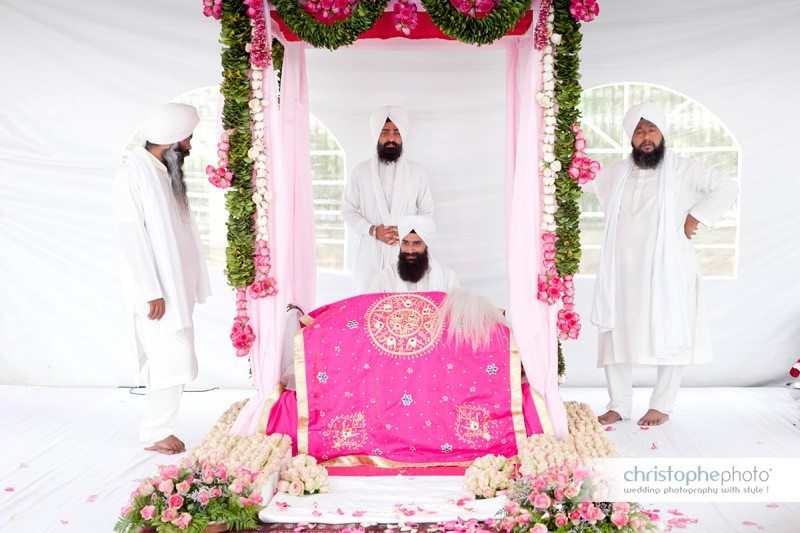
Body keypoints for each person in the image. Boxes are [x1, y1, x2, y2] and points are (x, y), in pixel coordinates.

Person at [590, 103, 738, 426]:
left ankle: (662, 404)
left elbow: (727, 186)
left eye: (652, 130)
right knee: (615, 331)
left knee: (671, 329)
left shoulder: (683, 169)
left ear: (662, 133)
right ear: (630, 138)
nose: (646, 138)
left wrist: (696, 215)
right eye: (639, 131)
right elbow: (582, 178)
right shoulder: (616, 172)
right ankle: (619, 404)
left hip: (668, 270)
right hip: (622, 271)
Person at [113, 103, 211, 453]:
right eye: (186, 141)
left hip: (174, 291)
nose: (189, 147)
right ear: (170, 142)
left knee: (173, 358)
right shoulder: (133, 174)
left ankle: (157, 428)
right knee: (170, 358)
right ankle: (154, 432)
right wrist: (151, 291)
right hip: (156, 294)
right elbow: (131, 235)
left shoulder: (159, 172)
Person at [341, 106, 434, 292]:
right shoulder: (361, 171)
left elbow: (426, 210)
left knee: (403, 308)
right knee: (367, 305)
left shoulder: (416, 172)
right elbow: (347, 209)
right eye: (385, 132)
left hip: (406, 252)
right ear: (377, 134)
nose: (391, 138)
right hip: (370, 251)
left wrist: (408, 231)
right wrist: (374, 230)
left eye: (396, 132)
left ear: (403, 136)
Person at [369, 215, 458, 292]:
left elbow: (455, 311)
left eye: (417, 243)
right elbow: (369, 309)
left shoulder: (447, 278)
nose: (410, 250)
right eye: (405, 243)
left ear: (426, 245)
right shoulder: (386, 278)